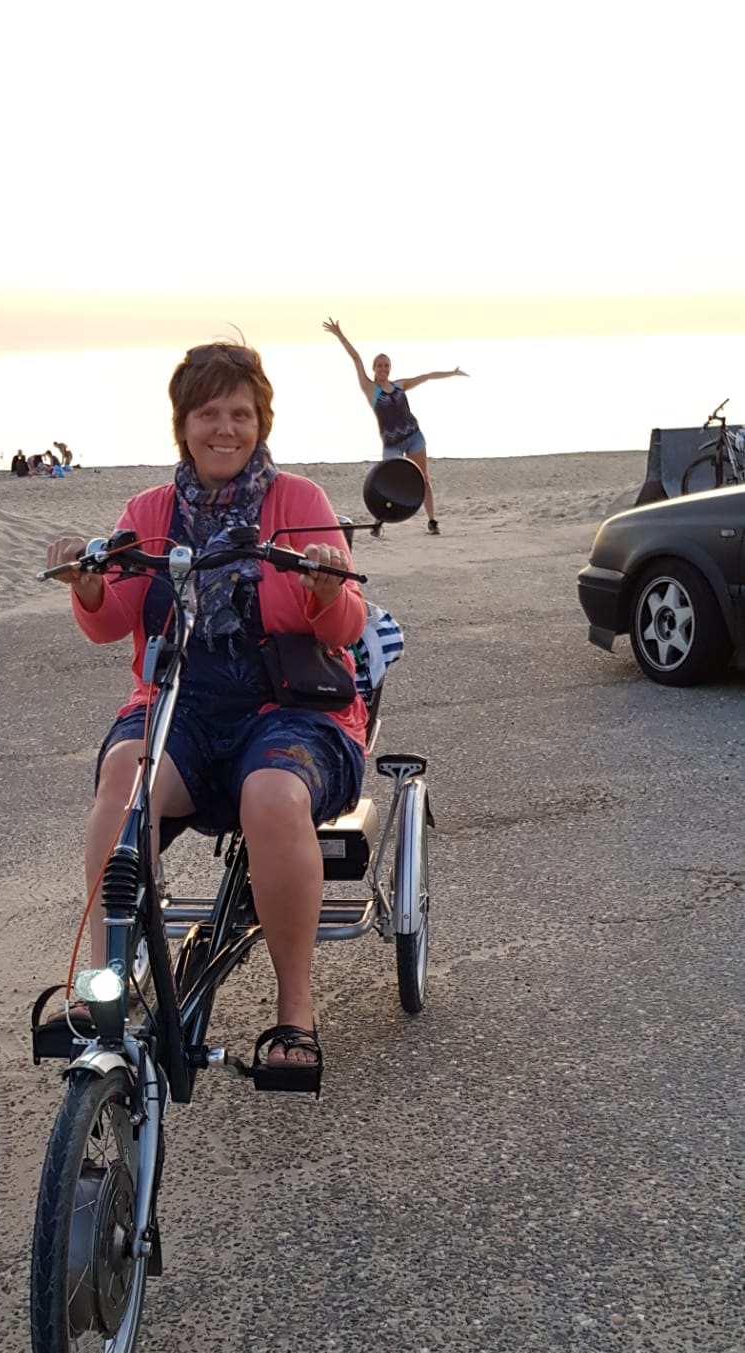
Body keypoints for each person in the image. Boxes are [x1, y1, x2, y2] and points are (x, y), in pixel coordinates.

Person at [44, 341, 368, 1080]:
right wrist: (87, 587)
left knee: (273, 795)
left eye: (240, 414)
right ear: (183, 424)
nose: (225, 429)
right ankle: (108, 981)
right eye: (208, 414)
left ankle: (295, 1009)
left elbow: (345, 624)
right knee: (123, 779)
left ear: (261, 422)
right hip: (179, 706)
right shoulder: (148, 512)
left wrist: (326, 590)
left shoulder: (299, 502)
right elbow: (111, 617)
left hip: (290, 709)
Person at [323, 317, 467, 533]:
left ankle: (432, 521)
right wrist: (339, 334)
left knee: (423, 479)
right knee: (386, 483)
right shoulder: (370, 389)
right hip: (392, 444)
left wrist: (452, 373)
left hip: (414, 437)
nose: (383, 369)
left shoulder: (399, 386)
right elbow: (355, 358)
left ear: (390, 368)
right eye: (380, 365)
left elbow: (427, 376)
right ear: (374, 368)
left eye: (386, 365)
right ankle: (379, 523)